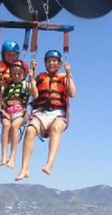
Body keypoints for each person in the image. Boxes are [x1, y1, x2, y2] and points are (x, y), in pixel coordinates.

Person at [15, 50, 76, 181]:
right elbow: (35, 95)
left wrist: (69, 73)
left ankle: (49, 164)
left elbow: (72, 94)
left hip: (58, 113)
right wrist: (31, 78)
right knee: (30, 130)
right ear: (45, 63)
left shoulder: (64, 77)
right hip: (41, 111)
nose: (51, 63)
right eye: (48, 61)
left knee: (56, 129)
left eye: (54, 61)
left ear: (59, 64)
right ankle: (24, 168)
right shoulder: (40, 77)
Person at [0, 59, 30, 168]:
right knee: (6, 125)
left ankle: (12, 157)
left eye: (19, 73)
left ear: (24, 74)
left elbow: (35, 94)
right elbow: (1, 99)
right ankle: (3, 155)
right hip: (8, 111)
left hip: (20, 111)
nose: (16, 75)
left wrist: (33, 77)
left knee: (14, 126)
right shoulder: (6, 86)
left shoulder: (27, 85)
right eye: (14, 73)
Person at [0, 40, 21, 144]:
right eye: (8, 55)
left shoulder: (18, 66)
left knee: (11, 123)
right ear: (3, 55)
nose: (11, 58)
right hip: (0, 93)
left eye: (13, 55)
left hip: (13, 96)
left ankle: (10, 140)